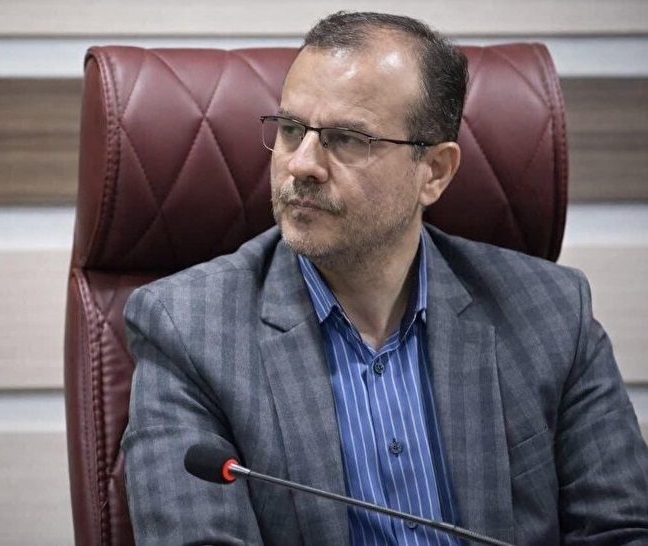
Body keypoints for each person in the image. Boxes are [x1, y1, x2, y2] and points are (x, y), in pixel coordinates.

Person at [121, 11, 648, 546]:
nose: (302, 164)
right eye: (291, 129)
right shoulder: (187, 331)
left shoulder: (553, 314)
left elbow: (621, 529)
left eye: (347, 138)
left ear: (434, 172)